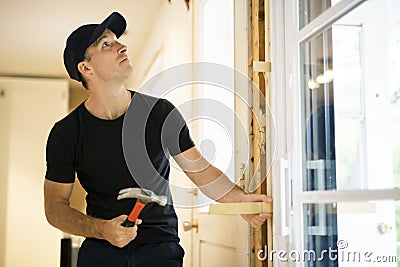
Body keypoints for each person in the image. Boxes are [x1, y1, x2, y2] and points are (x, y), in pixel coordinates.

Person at [44, 12, 271, 267]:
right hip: (100, 252)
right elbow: (55, 208)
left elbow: (200, 170)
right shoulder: (66, 134)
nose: (122, 46)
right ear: (86, 68)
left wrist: (239, 199)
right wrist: (101, 229)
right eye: (106, 44)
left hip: (160, 249)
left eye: (117, 39)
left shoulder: (160, 113)